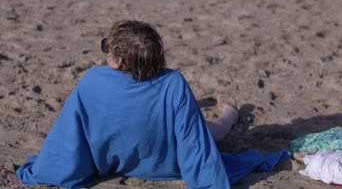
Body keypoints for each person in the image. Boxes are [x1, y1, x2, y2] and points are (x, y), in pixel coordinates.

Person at [15, 20, 239, 188]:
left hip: (111, 159)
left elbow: (69, 134)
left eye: (106, 47)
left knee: (212, 130)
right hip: (163, 164)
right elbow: (192, 140)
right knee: (212, 131)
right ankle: (231, 112)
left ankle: (230, 113)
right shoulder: (173, 82)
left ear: (119, 60)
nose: (104, 52)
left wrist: (39, 173)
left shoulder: (93, 80)